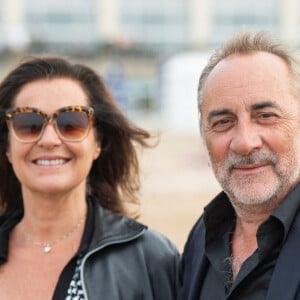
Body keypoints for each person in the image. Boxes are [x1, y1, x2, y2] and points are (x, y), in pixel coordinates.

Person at [0, 56, 179, 299]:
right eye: (29, 123)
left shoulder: (150, 259)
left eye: (71, 122)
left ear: (98, 142)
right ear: (8, 146)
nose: (49, 140)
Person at [179, 30, 300, 300]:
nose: (245, 142)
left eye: (266, 116)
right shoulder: (201, 238)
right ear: (203, 134)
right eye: (223, 121)